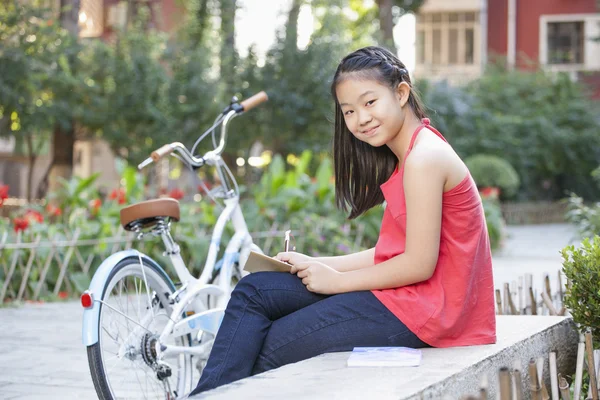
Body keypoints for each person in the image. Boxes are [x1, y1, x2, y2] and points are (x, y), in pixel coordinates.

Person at [189, 45, 496, 396]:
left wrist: (335, 282)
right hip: (408, 301)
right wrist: (317, 265)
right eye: (349, 111)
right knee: (255, 289)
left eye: (369, 102)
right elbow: (389, 252)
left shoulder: (424, 158)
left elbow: (419, 265)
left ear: (401, 92)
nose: (360, 119)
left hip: (426, 314)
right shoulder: (410, 154)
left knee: (265, 347)